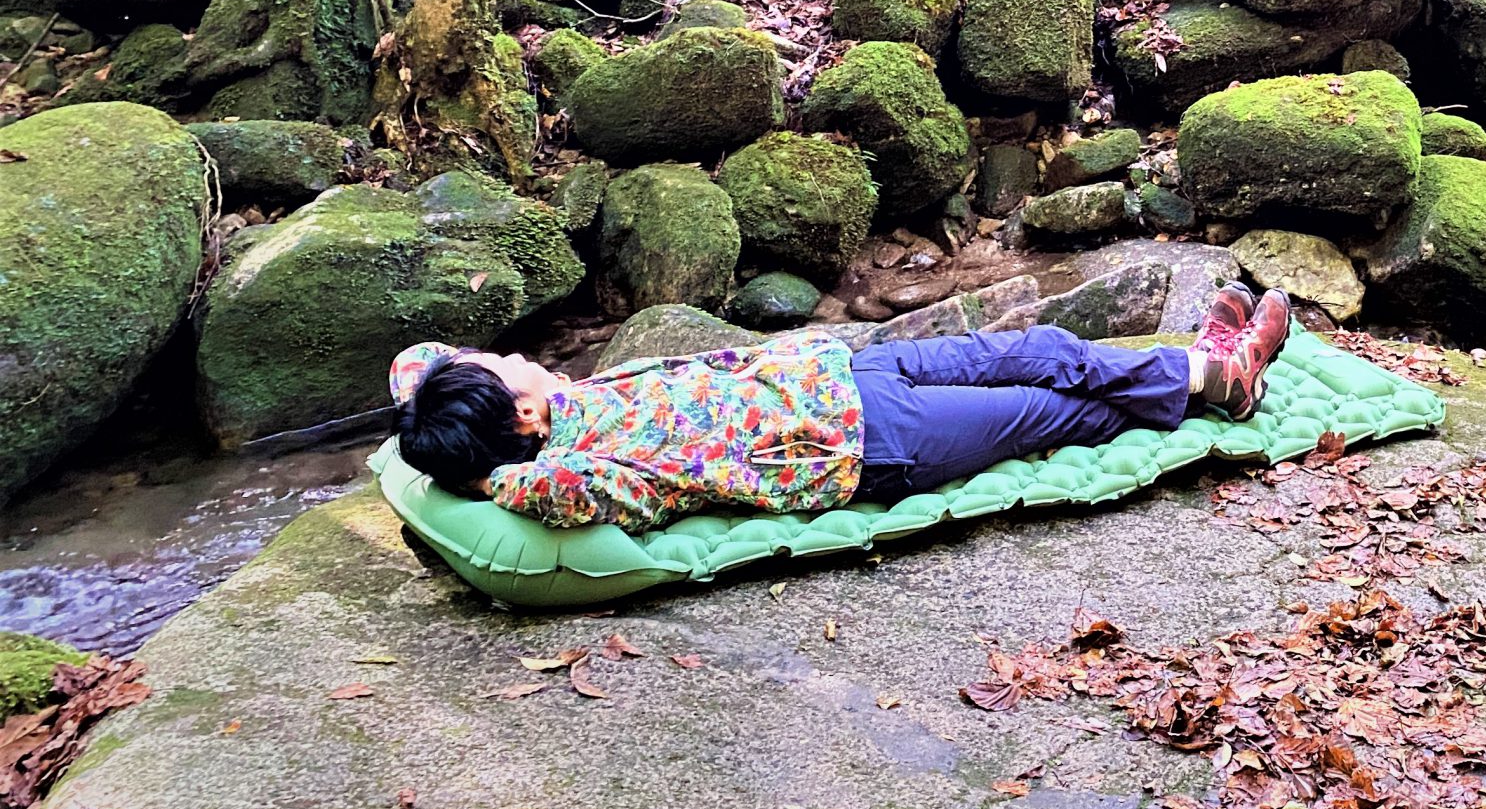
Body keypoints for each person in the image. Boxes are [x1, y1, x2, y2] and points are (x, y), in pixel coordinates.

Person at [389, 284, 1293, 533]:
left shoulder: (552, 406)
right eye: (508, 372)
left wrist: (445, 405)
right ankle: (1221, 381)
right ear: (526, 426)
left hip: (847, 369)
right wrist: (476, 472)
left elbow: (413, 363)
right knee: (1048, 407)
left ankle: (1209, 371)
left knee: (1044, 348)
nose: (516, 356)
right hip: (862, 448)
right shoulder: (577, 475)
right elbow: (518, 491)